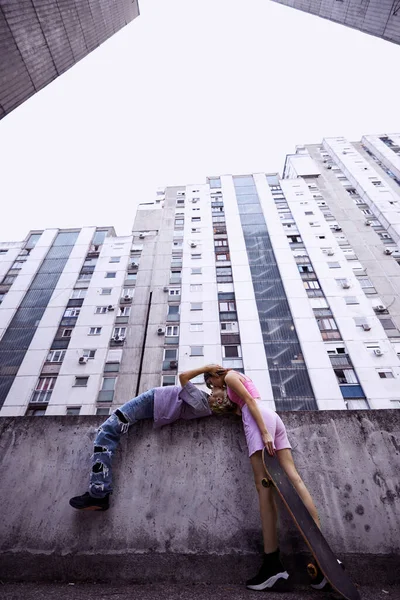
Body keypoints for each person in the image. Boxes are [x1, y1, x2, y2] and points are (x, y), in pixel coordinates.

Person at [203, 368, 326, 592]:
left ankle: (272, 566)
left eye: (211, 383)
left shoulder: (230, 376)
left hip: (258, 420)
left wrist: (263, 433)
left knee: (264, 489)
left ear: (215, 373)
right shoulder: (239, 381)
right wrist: (225, 404)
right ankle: (323, 556)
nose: (213, 387)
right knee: (294, 478)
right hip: (272, 417)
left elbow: (248, 401)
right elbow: (243, 403)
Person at [70, 364, 233, 511]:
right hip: (154, 402)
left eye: (216, 388)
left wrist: (206, 368)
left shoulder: (202, 403)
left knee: (107, 431)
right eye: (211, 386)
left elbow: (183, 377)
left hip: (152, 400)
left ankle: (99, 493)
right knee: (108, 431)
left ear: (221, 399)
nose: (212, 389)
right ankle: (99, 492)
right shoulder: (204, 403)